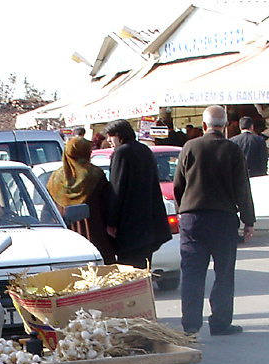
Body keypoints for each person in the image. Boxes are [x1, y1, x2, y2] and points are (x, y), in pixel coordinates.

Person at [173, 104, 255, 336]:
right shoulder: (232, 149)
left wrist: (182, 210)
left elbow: (178, 184)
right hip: (223, 219)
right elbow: (242, 187)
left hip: (193, 219)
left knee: (192, 273)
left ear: (204, 125)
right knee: (224, 272)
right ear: (226, 125)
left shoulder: (189, 146)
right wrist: (248, 220)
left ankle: (190, 325)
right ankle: (220, 323)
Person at [102, 119, 171, 268]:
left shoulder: (121, 153)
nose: (109, 141)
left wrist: (111, 222)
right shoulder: (144, 150)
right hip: (148, 225)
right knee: (144, 269)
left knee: (129, 272)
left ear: (119, 135)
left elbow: (116, 189)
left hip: (130, 228)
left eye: (110, 136)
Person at [46, 136, 114, 263]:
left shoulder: (55, 177)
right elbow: (107, 204)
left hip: (65, 236)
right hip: (95, 232)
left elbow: (47, 210)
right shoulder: (95, 174)